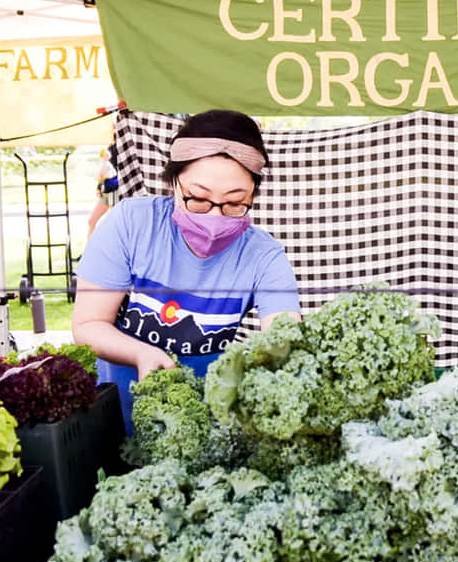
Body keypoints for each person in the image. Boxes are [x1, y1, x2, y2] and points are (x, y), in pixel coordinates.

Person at [72, 109, 302, 432]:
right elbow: (88, 324)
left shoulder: (263, 256)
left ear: (252, 196)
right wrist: (140, 354)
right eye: (198, 199)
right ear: (173, 183)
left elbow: (284, 337)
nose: (214, 216)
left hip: (203, 433)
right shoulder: (130, 225)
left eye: (235, 203)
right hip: (114, 424)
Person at [86, 142, 118, 238]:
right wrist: (99, 186)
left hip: (116, 192)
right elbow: (104, 172)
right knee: (91, 221)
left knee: (115, 224)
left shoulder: (125, 146)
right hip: (106, 191)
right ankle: (89, 250)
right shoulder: (110, 147)